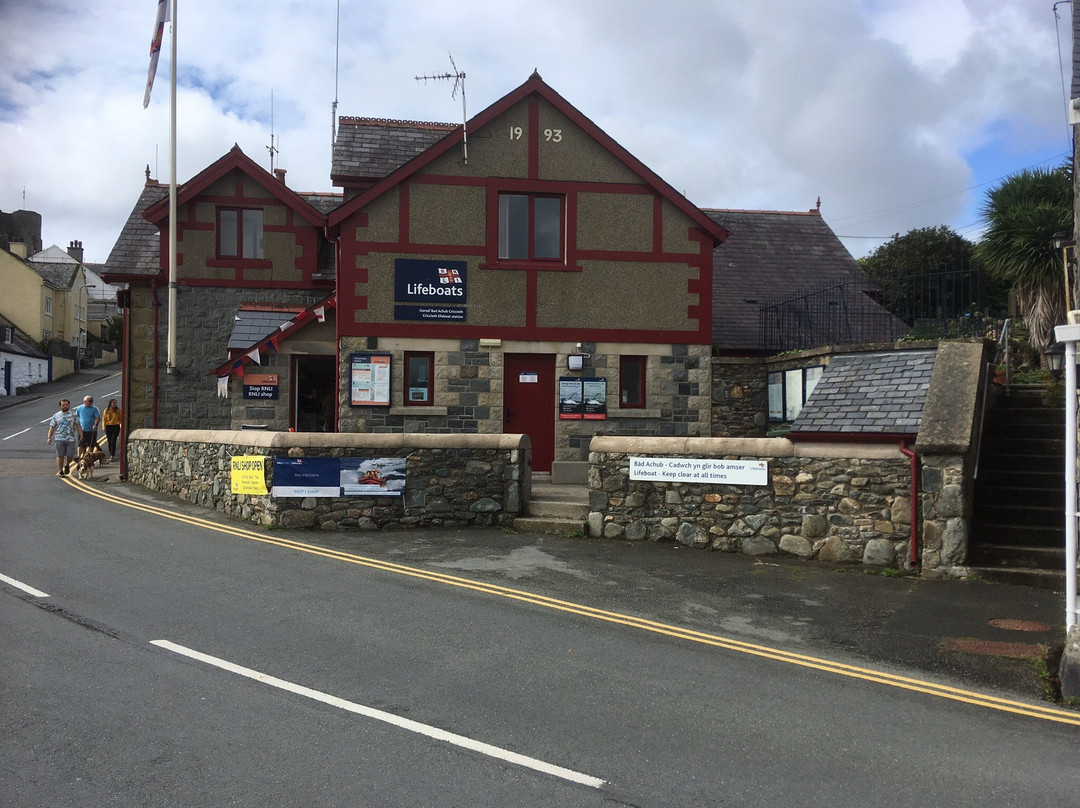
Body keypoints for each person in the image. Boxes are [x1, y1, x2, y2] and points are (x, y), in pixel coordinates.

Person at [46, 398, 82, 477]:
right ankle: (60, 471)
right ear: (60, 406)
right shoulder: (56, 416)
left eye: (66, 405)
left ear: (69, 405)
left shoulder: (74, 415)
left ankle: (67, 465)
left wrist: (81, 435)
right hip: (59, 438)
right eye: (63, 405)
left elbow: (78, 425)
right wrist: (49, 437)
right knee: (60, 455)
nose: (65, 406)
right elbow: (52, 427)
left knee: (70, 455)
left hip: (70, 438)